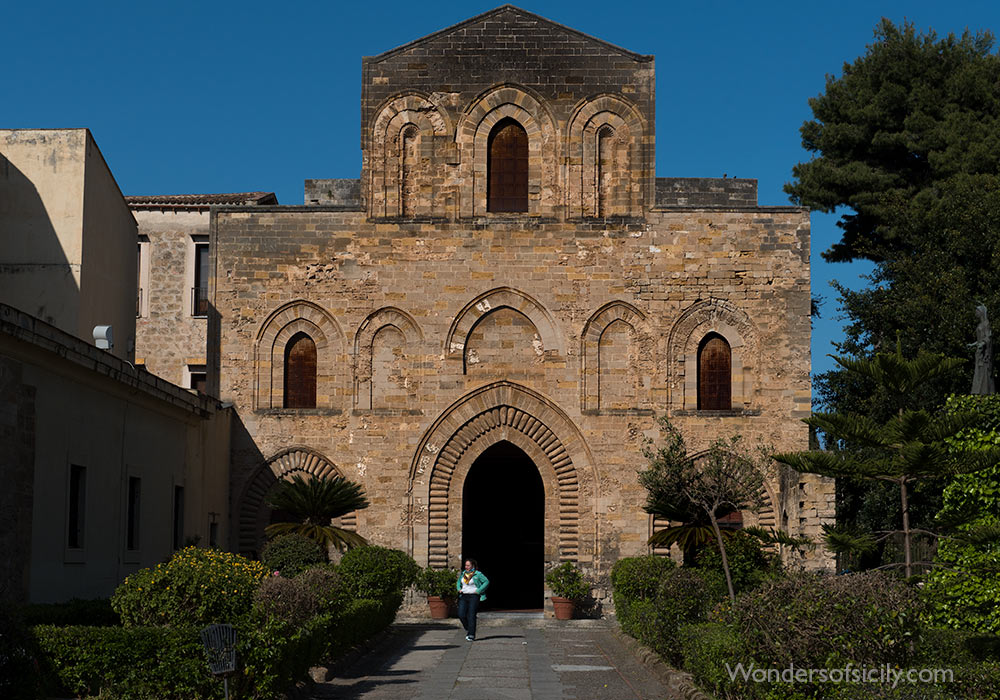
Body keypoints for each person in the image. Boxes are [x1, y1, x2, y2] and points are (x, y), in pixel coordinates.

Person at [456, 558, 489, 641]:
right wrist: (458, 588)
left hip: (474, 596)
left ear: (473, 566)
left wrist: (479, 590)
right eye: (465, 565)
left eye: (468, 565)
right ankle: (469, 628)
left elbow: (486, 582)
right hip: (463, 596)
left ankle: (471, 634)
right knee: (461, 614)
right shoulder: (463, 574)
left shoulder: (478, 574)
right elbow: (458, 582)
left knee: (471, 615)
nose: (466, 567)